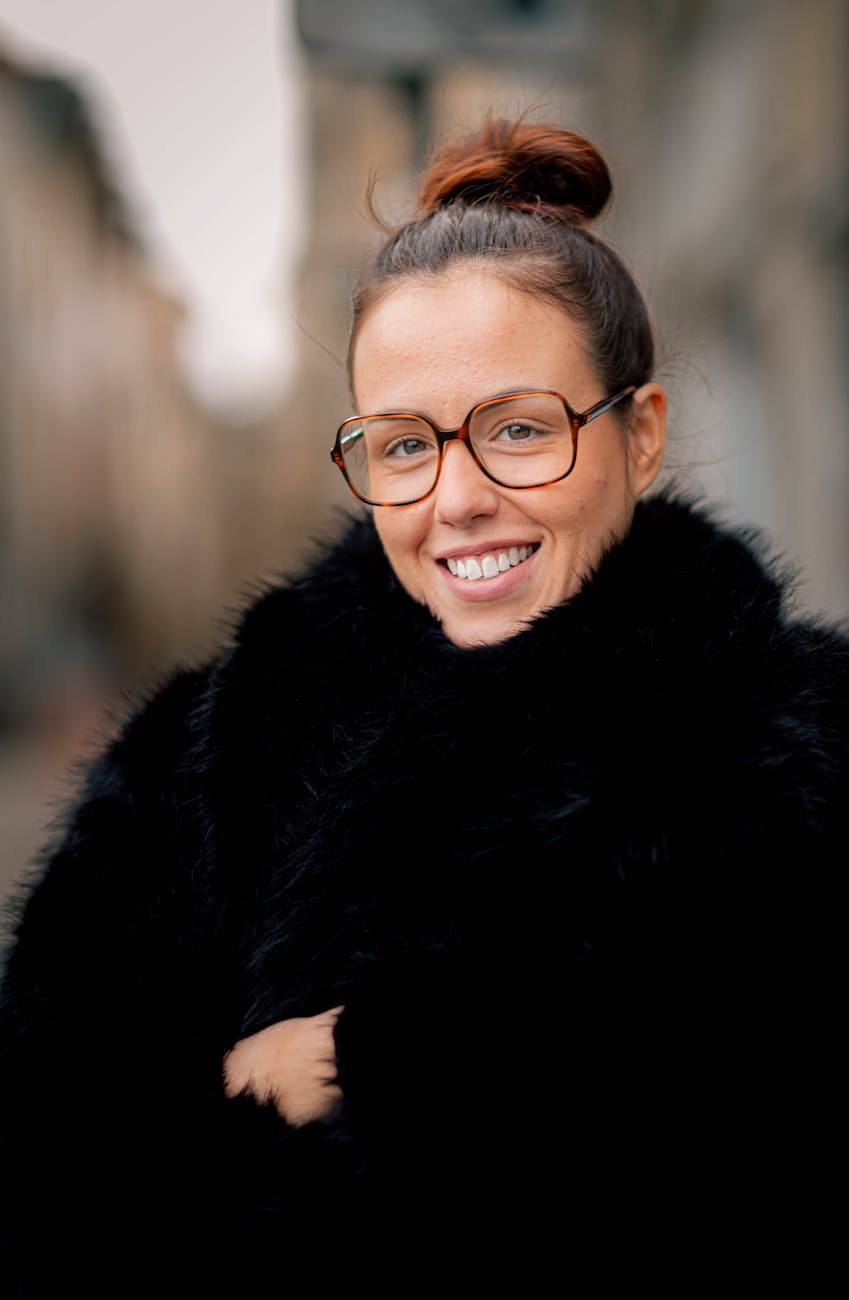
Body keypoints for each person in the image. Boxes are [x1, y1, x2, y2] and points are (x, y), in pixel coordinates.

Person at [1, 117, 845, 1294]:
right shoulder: (193, 767)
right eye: (404, 446)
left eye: (517, 430)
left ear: (640, 436)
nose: (457, 499)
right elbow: (50, 1152)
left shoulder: (807, 747)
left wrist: (380, 1062)